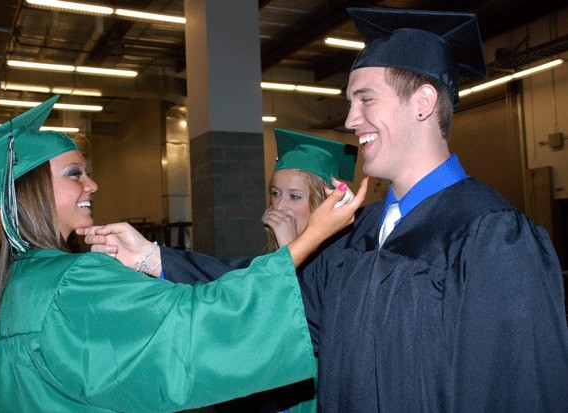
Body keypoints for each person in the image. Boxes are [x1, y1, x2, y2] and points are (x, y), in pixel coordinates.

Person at [87, 8, 568, 412]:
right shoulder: (362, 234)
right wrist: (154, 258)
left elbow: (518, 392)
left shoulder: (491, 236)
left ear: (422, 102)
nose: (350, 119)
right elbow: (272, 298)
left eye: (365, 99)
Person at [0, 95, 367, 412]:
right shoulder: (73, 279)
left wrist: (150, 257)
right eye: (76, 174)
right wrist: (307, 240)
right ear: (31, 188)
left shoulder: (18, 284)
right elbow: (195, 325)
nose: (92, 185)